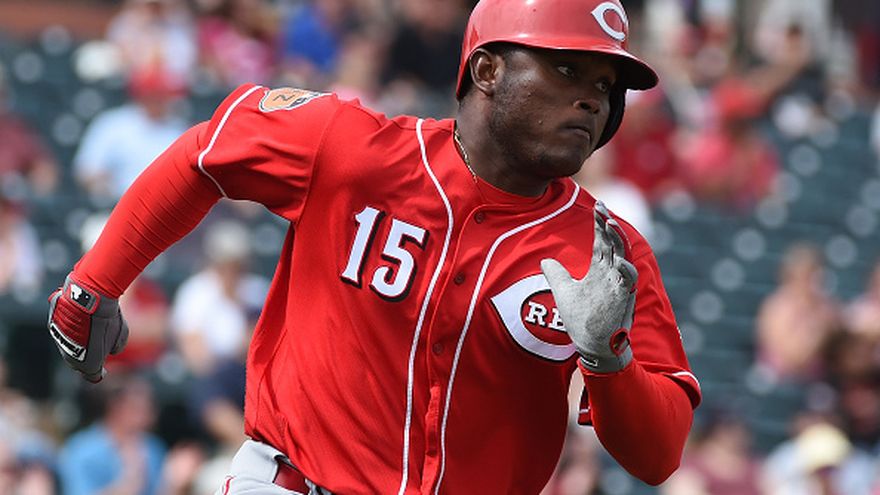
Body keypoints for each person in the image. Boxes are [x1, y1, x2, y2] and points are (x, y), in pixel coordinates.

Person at [45, 0, 701, 493]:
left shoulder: (608, 252)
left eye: (606, 86)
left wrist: (609, 360)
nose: (591, 99)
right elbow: (204, 154)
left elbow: (660, 454)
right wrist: (92, 286)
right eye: (567, 68)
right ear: (487, 68)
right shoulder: (354, 147)